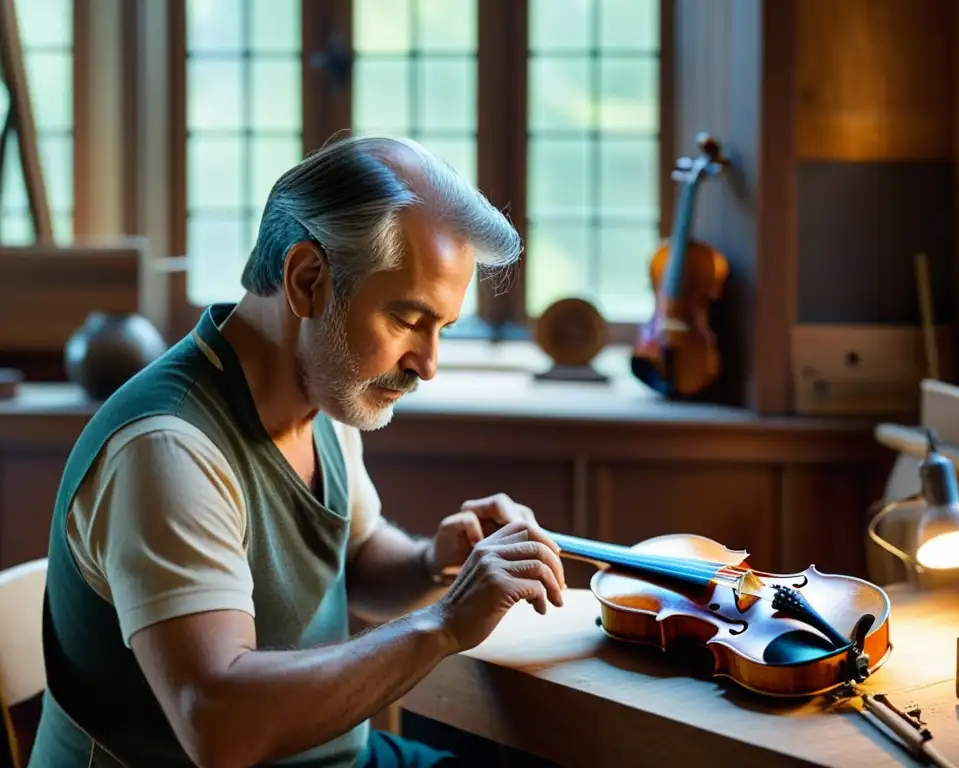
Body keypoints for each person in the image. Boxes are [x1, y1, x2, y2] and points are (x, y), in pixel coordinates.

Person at [29, 134, 567, 768]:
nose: (427, 364)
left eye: (441, 328)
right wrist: (445, 623)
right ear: (307, 280)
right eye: (407, 318)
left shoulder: (326, 392)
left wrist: (437, 564)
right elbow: (220, 726)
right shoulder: (167, 449)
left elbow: (358, 559)